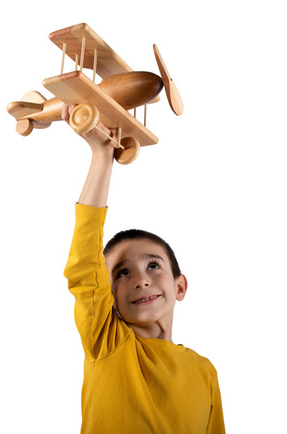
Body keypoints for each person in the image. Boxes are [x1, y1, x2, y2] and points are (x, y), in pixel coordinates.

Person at [62, 106, 225, 433]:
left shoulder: (204, 371)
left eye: (153, 265)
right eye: (122, 272)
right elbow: (84, 266)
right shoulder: (107, 343)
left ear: (180, 287)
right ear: (107, 295)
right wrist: (102, 155)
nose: (141, 280)